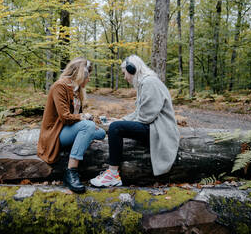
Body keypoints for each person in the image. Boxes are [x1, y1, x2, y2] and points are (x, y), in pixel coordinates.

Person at [90, 54, 180, 187]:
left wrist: (119, 125)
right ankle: (112, 174)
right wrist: (122, 120)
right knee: (116, 125)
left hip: (159, 129)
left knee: (115, 128)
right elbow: (140, 112)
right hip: (153, 126)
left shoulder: (149, 82)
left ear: (132, 69)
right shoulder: (145, 83)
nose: (125, 77)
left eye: (124, 73)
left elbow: (146, 116)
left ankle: (112, 174)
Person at [37, 57, 106, 193]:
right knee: (89, 127)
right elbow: (65, 117)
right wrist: (85, 119)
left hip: (67, 130)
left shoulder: (76, 89)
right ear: (81, 74)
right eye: (88, 76)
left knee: (101, 133)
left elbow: (76, 116)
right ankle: (71, 171)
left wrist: (87, 121)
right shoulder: (60, 86)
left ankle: (81, 138)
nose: (89, 79)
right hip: (55, 133)